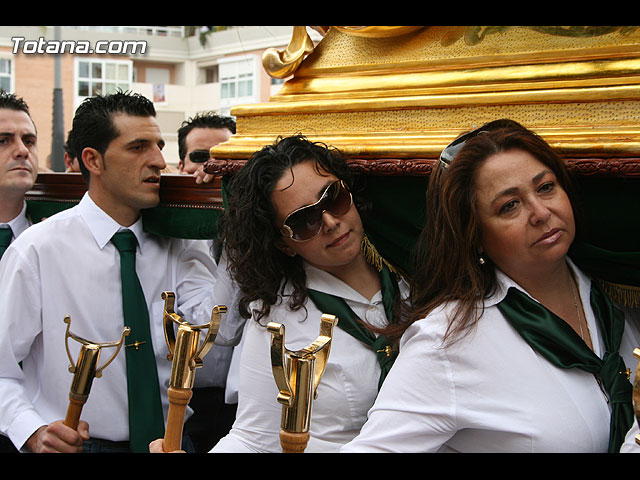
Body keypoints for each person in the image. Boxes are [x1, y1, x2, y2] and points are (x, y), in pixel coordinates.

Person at [340, 119, 640, 453]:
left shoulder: (618, 291)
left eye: (546, 187)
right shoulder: (448, 340)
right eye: (509, 205)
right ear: (476, 236)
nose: (541, 212)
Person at [150, 134, 409, 453]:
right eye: (303, 220)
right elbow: (252, 438)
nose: (329, 221)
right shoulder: (276, 316)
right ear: (283, 243)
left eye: (333, 197)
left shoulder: (414, 281)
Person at [0, 91, 219, 453]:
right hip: (79, 445)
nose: (159, 161)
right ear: (93, 160)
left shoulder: (179, 243)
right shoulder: (37, 250)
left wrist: (234, 218)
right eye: (138, 147)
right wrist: (33, 430)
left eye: (159, 146)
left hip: (174, 442)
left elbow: (216, 333)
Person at [0, 92, 39, 453]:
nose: (22, 150)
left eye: (29, 140)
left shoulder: (53, 241)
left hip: (40, 431)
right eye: (4, 140)